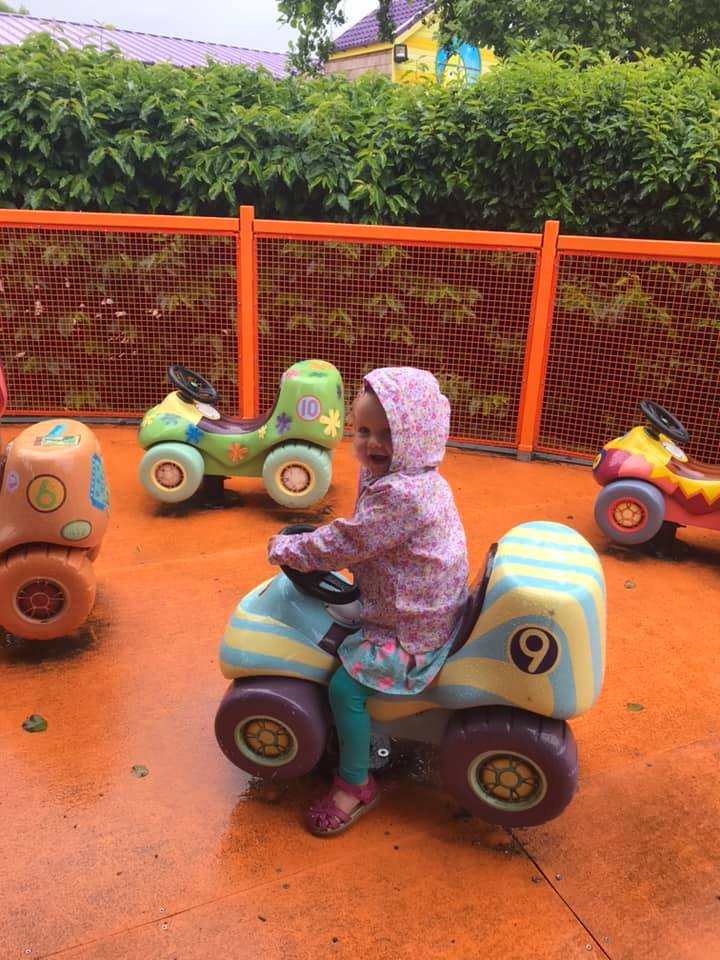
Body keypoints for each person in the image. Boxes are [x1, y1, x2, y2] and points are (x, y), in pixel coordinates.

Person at [268, 367, 468, 837]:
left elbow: (345, 542)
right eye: (363, 431)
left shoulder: (403, 495)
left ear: (419, 436)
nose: (372, 443)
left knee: (345, 689)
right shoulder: (415, 476)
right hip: (418, 598)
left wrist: (287, 548)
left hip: (413, 626)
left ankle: (355, 784)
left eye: (388, 434)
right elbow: (363, 534)